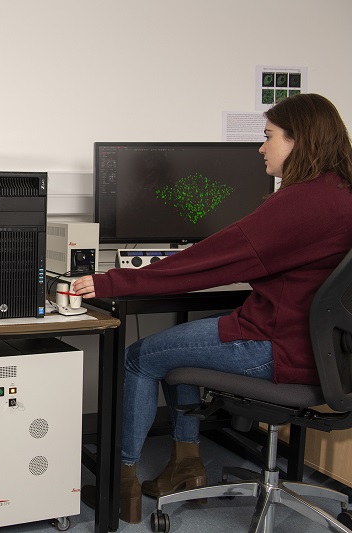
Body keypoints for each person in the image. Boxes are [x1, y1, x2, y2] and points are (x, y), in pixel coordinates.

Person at [71, 93, 352, 524]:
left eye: (268, 136)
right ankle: (187, 468)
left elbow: (207, 262)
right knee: (181, 344)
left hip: (275, 349)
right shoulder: (341, 194)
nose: (261, 147)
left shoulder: (301, 203)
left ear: (301, 140)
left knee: (139, 358)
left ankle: (120, 483)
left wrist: (112, 282)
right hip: (328, 355)